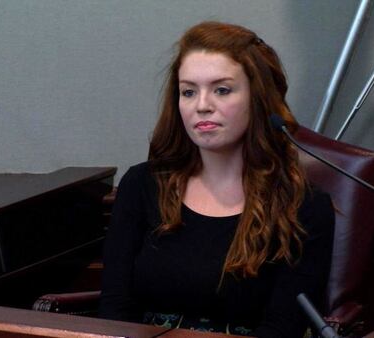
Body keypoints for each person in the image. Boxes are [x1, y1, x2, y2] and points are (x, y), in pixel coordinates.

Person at [99, 21, 335, 338]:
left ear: (257, 99)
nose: (202, 105)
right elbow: (114, 308)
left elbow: (283, 328)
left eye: (222, 90)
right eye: (188, 92)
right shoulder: (141, 185)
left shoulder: (304, 205)